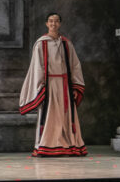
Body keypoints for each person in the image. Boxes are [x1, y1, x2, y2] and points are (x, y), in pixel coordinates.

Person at [18, 12, 87, 157]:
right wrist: (40, 86)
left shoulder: (66, 43)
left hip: (65, 85)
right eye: (50, 21)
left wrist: (75, 85)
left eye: (56, 21)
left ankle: (68, 144)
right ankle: (47, 144)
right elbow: (37, 67)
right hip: (49, 85)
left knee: (66, 115)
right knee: (50, 115)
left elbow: (75, 65)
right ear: (46, 24)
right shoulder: (41, 43)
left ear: (60, 24)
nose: (53, 24)